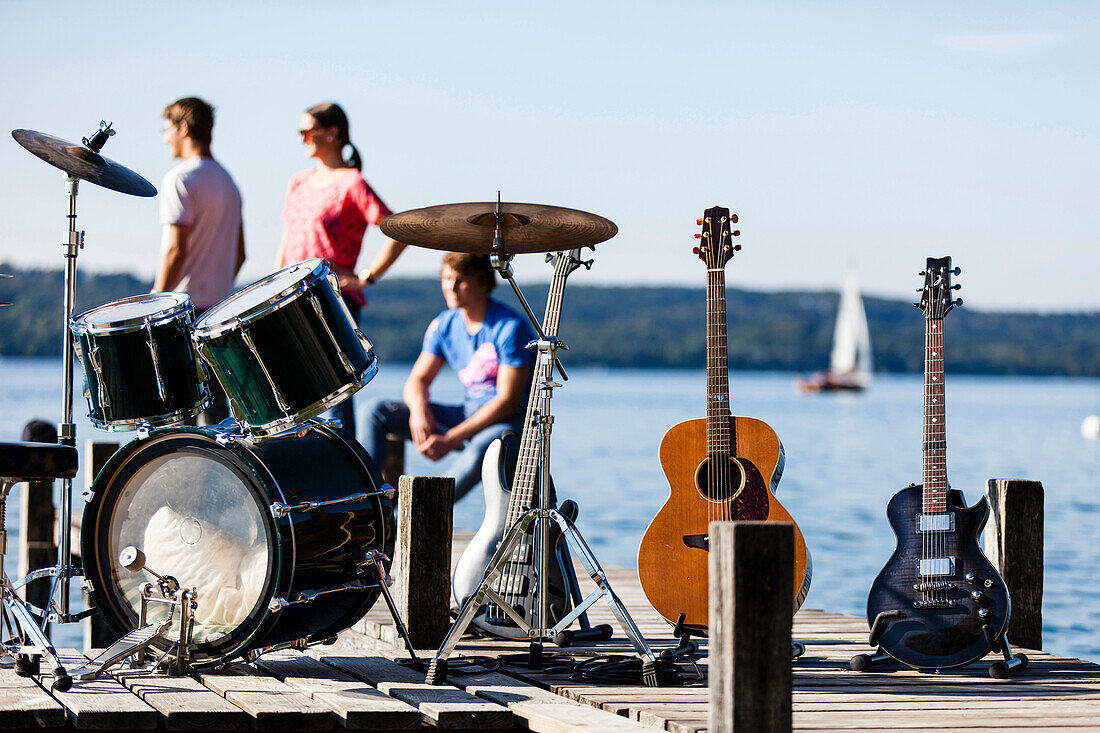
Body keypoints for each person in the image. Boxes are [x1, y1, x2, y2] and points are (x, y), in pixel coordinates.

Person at [275, 102, 406, 441]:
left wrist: (366, 277)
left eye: (307, 131)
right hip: (290, 301)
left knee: (334, 397)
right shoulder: (298, 182)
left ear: (332, 134)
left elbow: (396, 230)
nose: (301, 138)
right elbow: (287, 241)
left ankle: (348, 482)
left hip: (335, 300)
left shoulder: (353, 182)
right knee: (292, 399)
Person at [366, 252, 535, 503]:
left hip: (508, 426)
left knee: (487, 446)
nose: (451, 287)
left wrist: (450, 439)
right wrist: (419, 411)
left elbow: (507, 402)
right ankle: (368, 502)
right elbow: (418, 380)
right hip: (467, 415)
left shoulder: (510, 327)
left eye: (461, 280)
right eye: (446, 278)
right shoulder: (445, 324)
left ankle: (419, 509)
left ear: (484, 283)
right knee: (375, 410)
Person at [155, 97, 245, 426]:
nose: (165, 138)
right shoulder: (228, 182)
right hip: (219, 313)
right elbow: (241, 254)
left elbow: (175, 251)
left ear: (183, 128)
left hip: (182, 310)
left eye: (167, 129)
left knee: (179, 417)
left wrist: (156, 300)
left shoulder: (180, 179)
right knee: (215, 417)